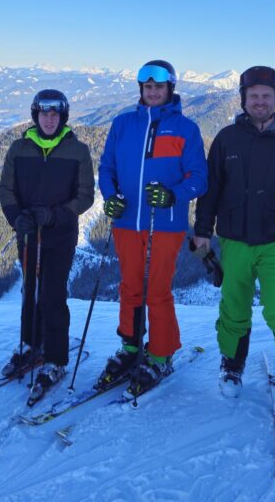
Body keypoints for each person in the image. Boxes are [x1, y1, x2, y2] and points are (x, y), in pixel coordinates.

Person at [193, 66, 275, 418]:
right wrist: (202, 230)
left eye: (267, 96)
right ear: (244, 100)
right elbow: (210, 191)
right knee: (233, 306)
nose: (260, 101)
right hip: (234, 239)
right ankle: (231, 364)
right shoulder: (226, 139)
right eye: (254, 96)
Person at [97, 60, 208, 395]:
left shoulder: (186, 129)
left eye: (159, 87)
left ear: (169, 89)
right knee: (130, 286)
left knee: (157, 290)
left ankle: (161, 352)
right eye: (147, 87)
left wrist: (173, 195)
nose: (153, 92)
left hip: (166, 223)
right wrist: (110, 197)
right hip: (127, 221)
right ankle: (131, 346)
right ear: (141, 89)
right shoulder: (122, 124)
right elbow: (106, 168)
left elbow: (199, 179)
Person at [0, 89, 95, 400]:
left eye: (55, 114)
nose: (49, 119)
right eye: (44, 113)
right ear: (35, 115)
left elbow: (85, 196)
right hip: (27, 232)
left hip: (59, 235)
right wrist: (16, 217)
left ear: (62, 117)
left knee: (52, 295)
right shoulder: (19, 148)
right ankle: (30, 343)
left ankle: (55, 358)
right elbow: (6, 188)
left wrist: (54, 216)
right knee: (30, 290)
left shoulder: (77, 151)